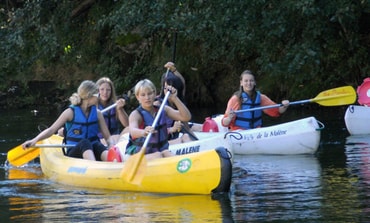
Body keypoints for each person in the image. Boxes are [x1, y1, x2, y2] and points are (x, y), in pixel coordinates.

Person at [22, 80, 115, 161]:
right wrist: (34, 140)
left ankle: (112, 164)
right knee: (85, 142)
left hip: (93, 149)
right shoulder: (70, 113)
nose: (99, 97)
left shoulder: (97, 113)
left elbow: (108, 138)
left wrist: (111, 145)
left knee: (97, 145)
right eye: (97, 94)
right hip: (75, 151)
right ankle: (94, 167)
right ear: (88, 96)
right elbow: (51, 130)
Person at [126, 79, 192, 160]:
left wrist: (175, 99)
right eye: (143, 95)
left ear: (154, 93)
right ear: (137, 97)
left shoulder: (163, 109)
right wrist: (143, 132)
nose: (147, 98)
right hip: (138, 154)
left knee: (165, 152)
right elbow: (133, 131)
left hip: (161, 151)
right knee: (158, 155)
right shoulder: (136, 114)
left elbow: (186, 117)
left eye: (150, 93)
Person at [221, 70, 290, 131]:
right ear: (241, 83)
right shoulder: (235, 99)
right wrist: (229, 118)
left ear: (255, 82)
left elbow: (277, 111)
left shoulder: (261, 98)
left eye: (251, 80)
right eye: (246, 81)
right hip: (239, 132)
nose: (249, 83)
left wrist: (284, 106)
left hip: (256, 131)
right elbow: (224, 123)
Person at [155, 62, 197, 143]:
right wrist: (171, 129)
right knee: (184, 137)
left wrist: (174, 70)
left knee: (186, 135)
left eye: (170, 88)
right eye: (165, 88)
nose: (167, 91)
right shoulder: (158, 104)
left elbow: (183, 83)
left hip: (172, 138)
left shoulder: (179, 101)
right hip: (161, 140)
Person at [96, 77, 129, 144]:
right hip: (100, 139)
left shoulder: (115, 104)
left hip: (116, 137)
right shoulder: (92, 106)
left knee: (130, 129)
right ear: (97, 90)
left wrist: (120, 109)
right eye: (102, 89)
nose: (105, 92)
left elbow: (127, 124)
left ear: (111, 91)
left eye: (108, 90)